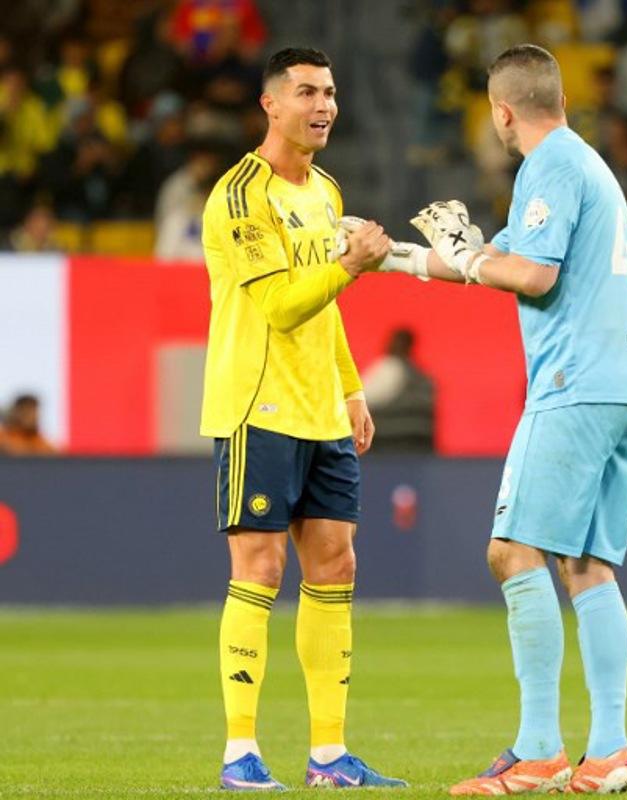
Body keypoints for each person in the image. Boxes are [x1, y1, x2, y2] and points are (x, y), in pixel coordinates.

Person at [369, 43, 627, 795]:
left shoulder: (551, 167)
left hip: (576, 384)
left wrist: (473, 261)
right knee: (586, 564)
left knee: (511, 551)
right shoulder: (583, 164)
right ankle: (610, 753)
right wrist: (397, 259)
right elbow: (493, 260)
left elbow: (530, 275)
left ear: (502, 112)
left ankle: (538, 750)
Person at [198, 46, 404, 791]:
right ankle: (240, 753)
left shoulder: (325, 191)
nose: (325, 106)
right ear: (271, 105)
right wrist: (350, 264)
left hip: (321, 409)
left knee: (336, 566)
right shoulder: (239, 197)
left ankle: (327, 756)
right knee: (260, 567)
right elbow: (284, 304)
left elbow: (326, 311)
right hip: (259, 406)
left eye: (332, 92)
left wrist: (350, 389)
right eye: (309, 91)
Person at [360, 328, 435, 452]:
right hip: (414, 446)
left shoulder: (389, 368)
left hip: (388, 444)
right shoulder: (422, 377)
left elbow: (362, 399)